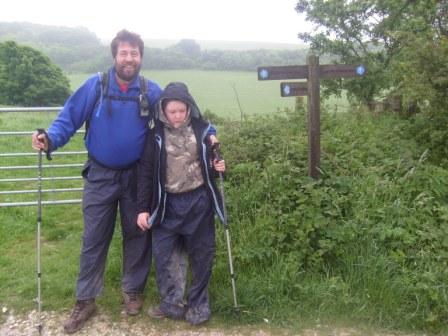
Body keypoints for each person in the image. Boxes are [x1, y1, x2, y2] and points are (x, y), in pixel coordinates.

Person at [31, 29, 217, 334]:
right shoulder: (96, 86)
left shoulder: (151, 90)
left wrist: (210, 136)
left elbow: (183, 113)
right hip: (100, 173)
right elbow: (69, 117)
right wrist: (49, 139)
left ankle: (133, 292)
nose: (129, 58)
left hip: (137, 175)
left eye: (134, 53)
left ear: (140, 57)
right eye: (124, 53)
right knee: (94, 237)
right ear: (115, 56)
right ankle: (86, 299)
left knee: (137, 236)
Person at [136, 81, 226, 326]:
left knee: (202, 254)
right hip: (166, 204)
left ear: (189, 108)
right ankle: (172, 303)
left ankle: (198, 303)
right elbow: (145, 172)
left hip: (198, 202)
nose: (177, 116)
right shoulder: (154, 135)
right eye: (172, 111)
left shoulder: (203, 130)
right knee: (164, 255)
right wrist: (143, 208)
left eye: (181, 110)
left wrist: (220, 166)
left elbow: (215, 167)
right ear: (163, 110)